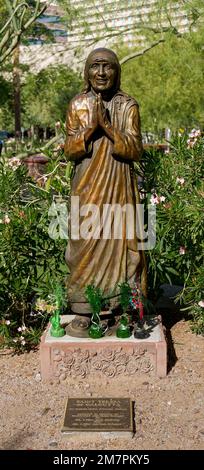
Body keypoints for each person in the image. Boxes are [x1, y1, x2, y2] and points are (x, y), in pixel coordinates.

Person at [64, 48, 147, 337]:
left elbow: (135, 149)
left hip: (119, 188)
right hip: (86, 187)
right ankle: (84, 310)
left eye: (107, 67)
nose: (101, 73)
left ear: (116, 72)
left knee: (119, 243)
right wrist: (90, 130)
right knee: (82, 243)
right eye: (95, 67)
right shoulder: (77, 105)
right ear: (86, 72)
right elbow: (69, 150)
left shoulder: (127, 106)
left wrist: (109, 128)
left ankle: (120, 308)